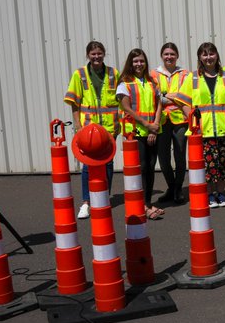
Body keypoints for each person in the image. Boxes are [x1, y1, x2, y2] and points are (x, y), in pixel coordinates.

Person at [172, 42, 225, 208]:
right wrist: (192, 119)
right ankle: (210, 195)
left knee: (224, 163)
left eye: (211, 54)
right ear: (200, 57)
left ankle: (221, 193)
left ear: (217, 56)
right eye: (204, 54)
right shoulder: (193, 78)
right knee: (208, 165)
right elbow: (182, 101)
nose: (208, 58)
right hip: (203, 131)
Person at [64, 40, 119, 218]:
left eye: (99, 53)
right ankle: (87, 202)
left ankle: (103, 197)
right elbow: (74, 102)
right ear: (88, 55)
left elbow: (121, 101)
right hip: (87, 129)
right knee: (88, 165)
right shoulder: (79, 74)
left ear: (104, 54)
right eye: (93, 54)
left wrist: (119, 124)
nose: (96, 57)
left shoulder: (113, 73)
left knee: (108, 163)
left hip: (109, 128)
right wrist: (77, 126)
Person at [116, 48, 165, 220]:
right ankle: (142, 205)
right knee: (142, 168)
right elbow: (126, 107)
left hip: (152, 130)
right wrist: (146, 124)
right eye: (135, 61)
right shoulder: (125, 83)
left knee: (151, 168)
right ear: (131, 63)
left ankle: (147, 203)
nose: (139, 64)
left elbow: (159, 104)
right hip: (135, 132)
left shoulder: (152, 81)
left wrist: (155, 126)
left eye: (141, 61)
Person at [152, 42, 189, 207]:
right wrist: (174, 96)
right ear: (162, 55)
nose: (169, 57)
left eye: (172, 54)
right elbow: (154, 97)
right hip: (161, 120)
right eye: (166, 54)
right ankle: (172, 187)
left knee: (180, 156)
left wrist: (167, 96)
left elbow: (187, 96)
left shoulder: (185, 74)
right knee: (163, 158)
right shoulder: (153, 74)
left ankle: (178, 189)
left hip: (180, 120)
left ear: (177, 56)